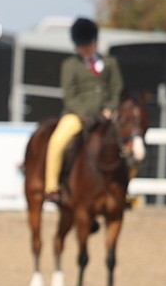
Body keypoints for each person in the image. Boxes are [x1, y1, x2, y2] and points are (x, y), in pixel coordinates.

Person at [43, 17, 123, 204]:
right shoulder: (70, 65)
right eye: (81, 45)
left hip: (105, 115)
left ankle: (123, 189)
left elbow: (116, 88)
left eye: (88, 44)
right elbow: (70, 95)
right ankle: (52, 187)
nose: (85, 49)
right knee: (57, 141)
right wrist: (83, 114)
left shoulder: (110, 63)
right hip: (77, 116)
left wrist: (109, 109)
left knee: (126, 145)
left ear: (95, 41)